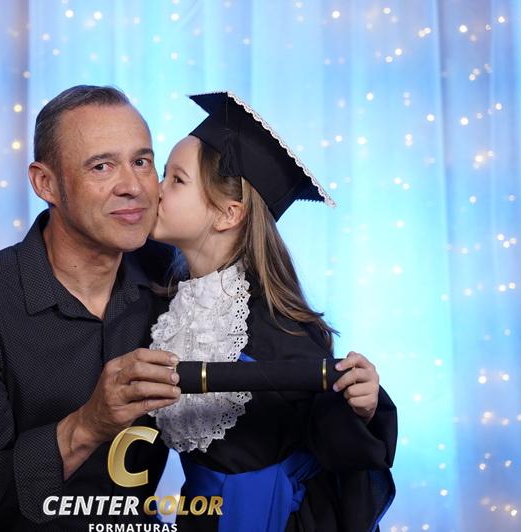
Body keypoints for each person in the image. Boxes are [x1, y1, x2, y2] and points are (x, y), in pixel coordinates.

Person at [0, 85, 181, 530]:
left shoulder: (175, 278)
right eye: (102, 166)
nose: (133, 187)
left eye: (142, 161)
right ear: (46, 184)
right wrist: (84, 427)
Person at [148, 91, 397, 531]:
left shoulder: (279, 329)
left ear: (228, 214)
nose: (155, 188)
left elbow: (334, 446)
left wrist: (362, 405)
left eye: (176, 179)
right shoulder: (166, 306)